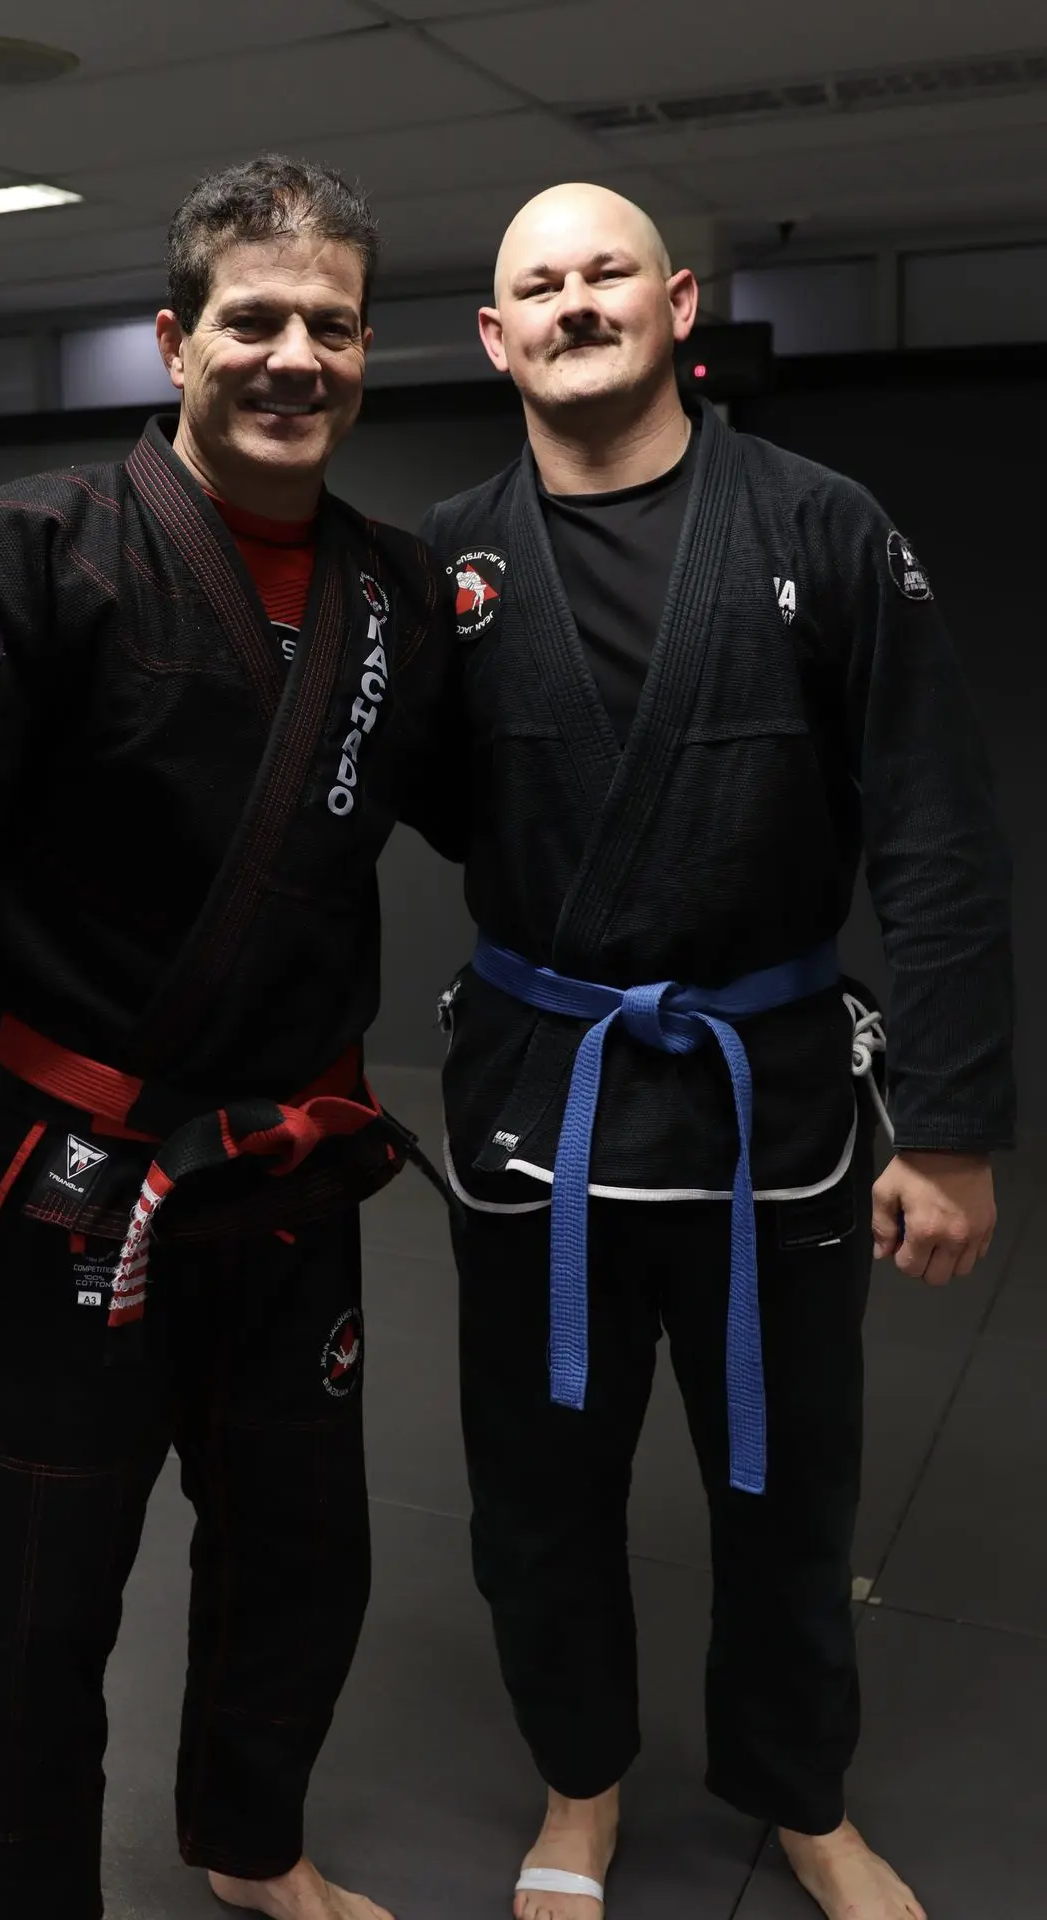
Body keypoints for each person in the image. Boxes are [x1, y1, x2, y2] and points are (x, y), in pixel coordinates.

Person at [0, 154, 462, 1920]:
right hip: (70, 1183)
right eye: (252, 320)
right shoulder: (29, 551)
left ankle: (252, 1848)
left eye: (329, 326)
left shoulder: (400, 596)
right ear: (175, 341)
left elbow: (493, 815)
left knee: (304, 1568)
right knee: (38, 1608)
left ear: (364, 352)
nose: (293, 356)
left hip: (291, 1180)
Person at [420, 183, 1013, 1920]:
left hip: (779, 1115)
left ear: (678, 304)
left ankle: (799, 1795)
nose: (575, 302)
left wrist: (957, 1124)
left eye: (608, 272)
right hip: (544, 1107)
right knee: (538, 1489)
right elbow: (390, 812)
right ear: (495, 334)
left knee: (787, 1484)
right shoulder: (447, 562)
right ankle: (580, 1788)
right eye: (539, 282)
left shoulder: (823, 525)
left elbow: (937, 832)